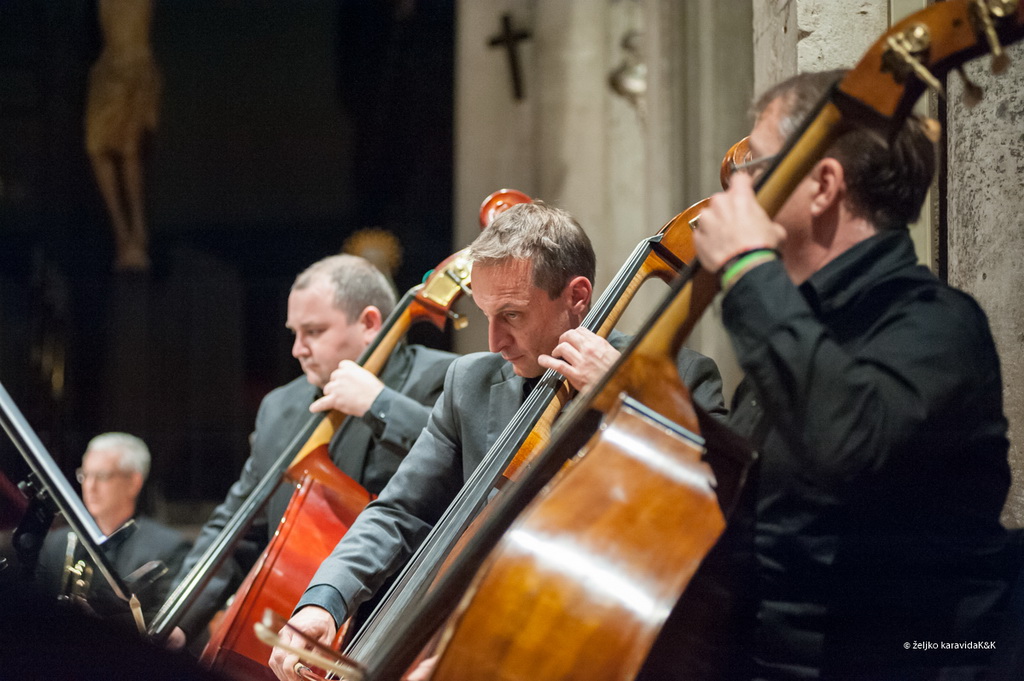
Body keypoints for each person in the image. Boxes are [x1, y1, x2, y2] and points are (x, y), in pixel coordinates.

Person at [269, 200, 727, 680]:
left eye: (512, 315)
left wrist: (627, 395)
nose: (493, 341)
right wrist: (326, 600)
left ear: (577, 296)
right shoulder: (467, 383)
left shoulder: (681, 378)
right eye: (486, 315)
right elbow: (400, 510)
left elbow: (716, 498)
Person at [691, 70, 1012, 679]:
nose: (735, 188)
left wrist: (747, 267)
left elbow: (846, 442)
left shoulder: (938, 327)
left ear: (824, 185)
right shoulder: (792, 324)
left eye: (754, 167)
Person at [169, 254, 456, 645]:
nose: (297, 349)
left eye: (314, 332)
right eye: (294, 333)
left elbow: (465, 461)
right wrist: (178, 617)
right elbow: (238, 524)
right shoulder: (280, 407)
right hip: (301, 633)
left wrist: (380, 404)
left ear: (370, 323)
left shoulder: (448, 380)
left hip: (403, 628)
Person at [36, 432, 190, 621]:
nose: (90, 486)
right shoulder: (55, 544)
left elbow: (163, 626)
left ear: (134, 482)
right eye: (85, 475)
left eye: (102, 476)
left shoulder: (169, 548)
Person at [85, 0, 161, 271]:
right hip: (109, 66)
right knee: (97, 148)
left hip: (134, 67)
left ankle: (136, 233)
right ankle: (123, 233)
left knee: (130, 152)